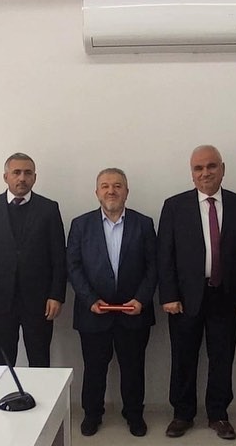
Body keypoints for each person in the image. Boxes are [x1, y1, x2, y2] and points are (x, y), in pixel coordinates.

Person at [157, 145, 236, 441]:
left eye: (211, 166)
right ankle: (182, 414)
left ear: (222, 169)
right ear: (191, 174)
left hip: (226, 295)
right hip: (185, 297)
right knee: (183, 357)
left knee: (222, 358)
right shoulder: (174, 206)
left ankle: (218, 414)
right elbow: (165, 254)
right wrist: (168, 295)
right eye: (198, 168)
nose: (205, 173)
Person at [67, 168, 157, 438]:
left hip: (134, 312)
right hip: (93, 312)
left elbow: (153, 266)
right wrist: (90, 299)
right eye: (105, 186)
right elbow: (73, 267)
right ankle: (92, 415)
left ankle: (134, 414)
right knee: (94, 368)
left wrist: (141, 299)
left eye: (117, 186)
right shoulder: (80, 225)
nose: (111, 191)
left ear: (127, 191)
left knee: (133, 368)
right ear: (97, 192)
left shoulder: (144, 224)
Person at [0, 153, 66, 367]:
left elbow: (59, 256)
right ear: (6, 177)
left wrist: (56, 295)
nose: (22, 178)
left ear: (35, 177)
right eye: (16, 172)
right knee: (3, 364)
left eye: (27, 173)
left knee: (40, 362)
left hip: (39, 301)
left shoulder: (49, 208)